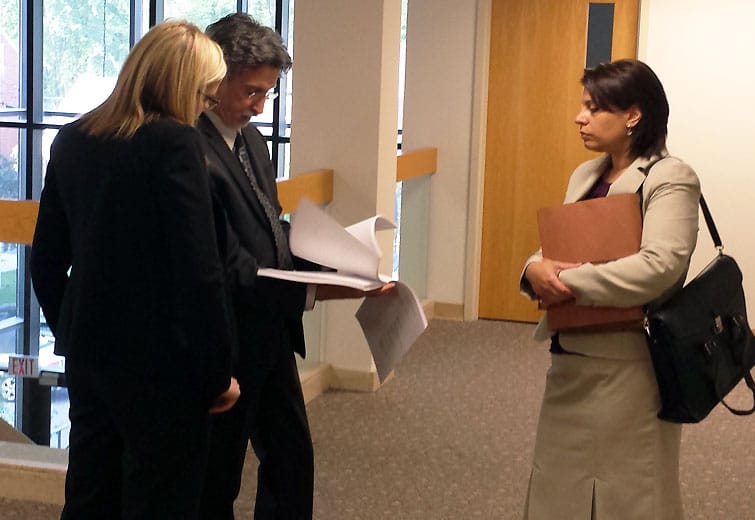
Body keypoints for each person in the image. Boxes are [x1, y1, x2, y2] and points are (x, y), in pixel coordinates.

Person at [30, 20, 239, 520]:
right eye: (206, 95)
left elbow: (44, 262)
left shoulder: (73, 138)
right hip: (164, 365)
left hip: (91, 357)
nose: (205, 107)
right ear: (183, 86)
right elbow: (199, 274)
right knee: (161, 499)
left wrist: (76, 333)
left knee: (90, 493)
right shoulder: (175, 144)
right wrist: (217, 374)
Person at [197, 13, 394, 519]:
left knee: (290, 460)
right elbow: (224, 264)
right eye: (250, 92)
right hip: (228, 336)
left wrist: (337, 262)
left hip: (271, 331)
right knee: (216, 477)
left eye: (268, 93)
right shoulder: (190, 150)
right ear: (213, 77)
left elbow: (269, 226)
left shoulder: (252, 142)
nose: (260, 106)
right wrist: (319, 292)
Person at [519, 59, 700, 519]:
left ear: (633, 116)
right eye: (582, 106)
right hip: (571, 359)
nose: (580, 117)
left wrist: (564, 281)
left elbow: (658, 267)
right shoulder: (586, 175)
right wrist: (532, 270)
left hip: (629, 367)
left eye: (594, 108)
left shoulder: (669, 177)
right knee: (558, 489)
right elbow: (553, 249)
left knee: (630, 493)